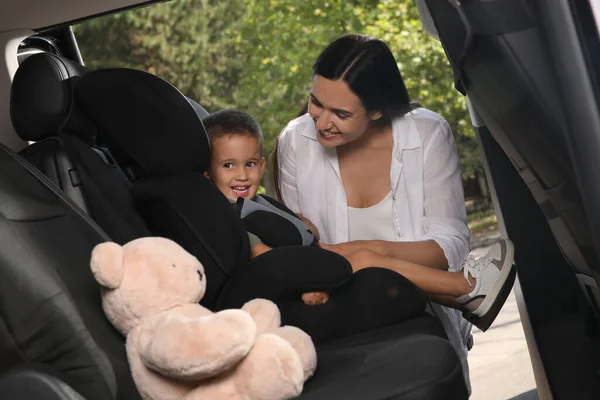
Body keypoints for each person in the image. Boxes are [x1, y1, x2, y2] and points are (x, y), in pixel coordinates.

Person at [273, 33, 516, 392]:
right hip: (340, 317)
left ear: (377, 110)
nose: (321, 122)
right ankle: (464, 291)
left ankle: (455, 289)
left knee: (363, 258)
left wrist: (374, 254)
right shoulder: (295, 141)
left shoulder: (428, 133)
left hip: (420, 319)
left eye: (340, 113)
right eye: (315, 102)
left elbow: (450, 245)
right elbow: (302, 246)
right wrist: (358, 258)